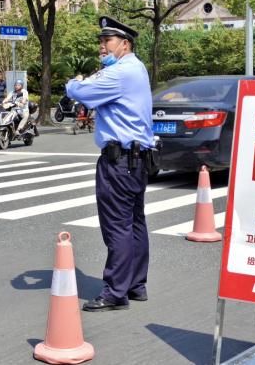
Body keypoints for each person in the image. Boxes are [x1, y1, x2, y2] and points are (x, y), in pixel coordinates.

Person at [66, 16, 156, 312]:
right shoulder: (137, 68)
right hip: (137, 159)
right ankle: (135, 284)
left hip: (119, 162)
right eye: (101, 41)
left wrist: (74, 82)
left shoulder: (120, 73)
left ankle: (116, 292)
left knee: (117, 226)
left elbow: (80, 93)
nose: (102, 46)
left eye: (108, 41)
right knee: (135, 224)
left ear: (125, 44)